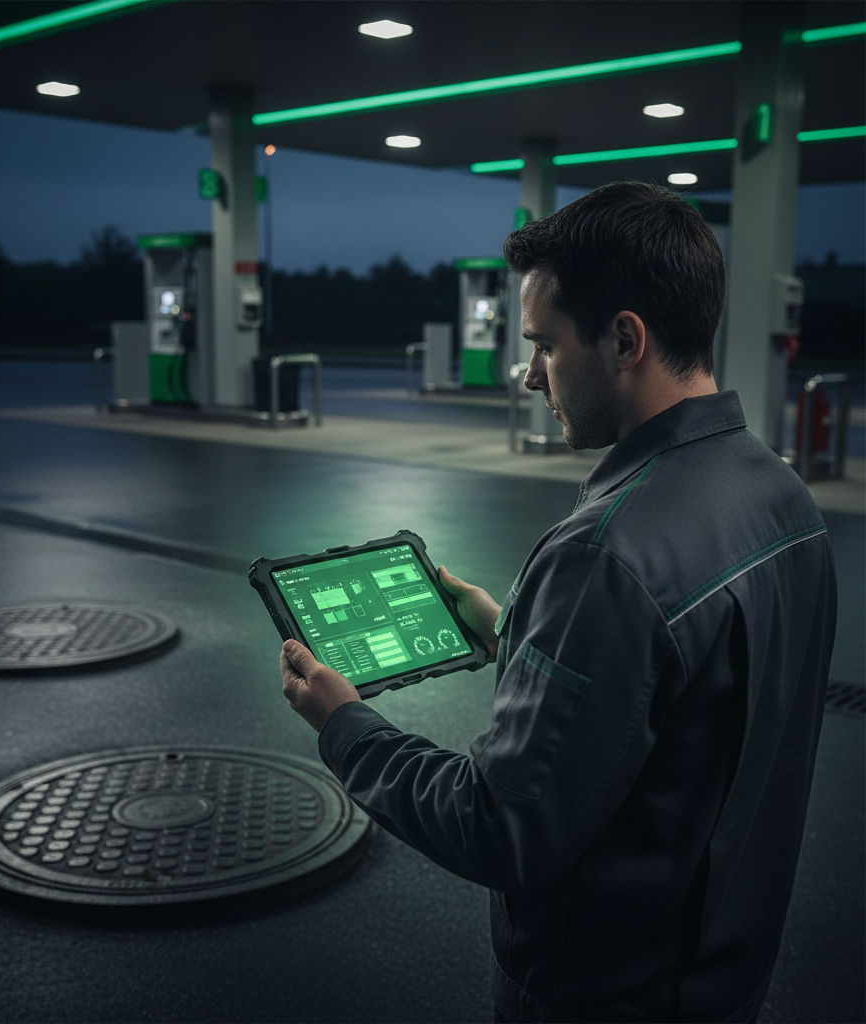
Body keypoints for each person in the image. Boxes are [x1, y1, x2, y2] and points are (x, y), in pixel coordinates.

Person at [278, 181, 837, 1023]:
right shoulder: (782, 498)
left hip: (605, 996)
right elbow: (682, 706)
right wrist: (514, 632)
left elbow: (500, 826)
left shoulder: (602, 556)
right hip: (725, 974)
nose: (530, 372)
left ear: (624, 340)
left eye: (542, 344)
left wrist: (345, 725)